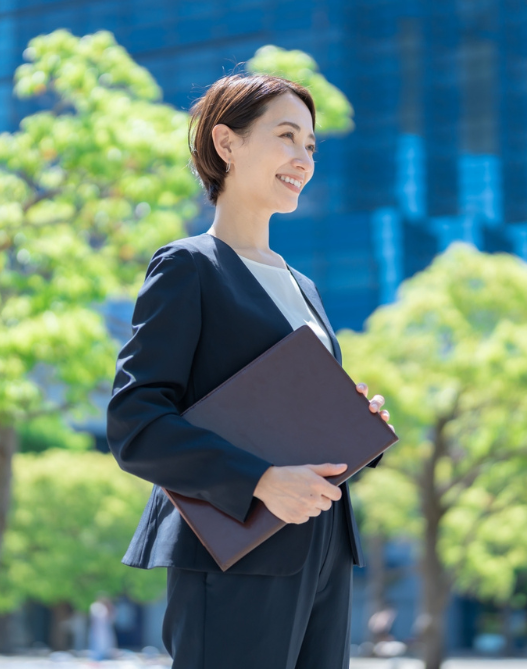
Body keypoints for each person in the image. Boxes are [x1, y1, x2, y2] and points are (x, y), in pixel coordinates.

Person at [107, 73, 394, 669]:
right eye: (287, 137)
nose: (302, 158)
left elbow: (288, 430)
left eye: (311, 146)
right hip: (233, 551)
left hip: (322, 552)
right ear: (227, 144)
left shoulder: (304, 287)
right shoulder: (189, 267)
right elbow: (136, 424)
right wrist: (260, 479)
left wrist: (355, 430)